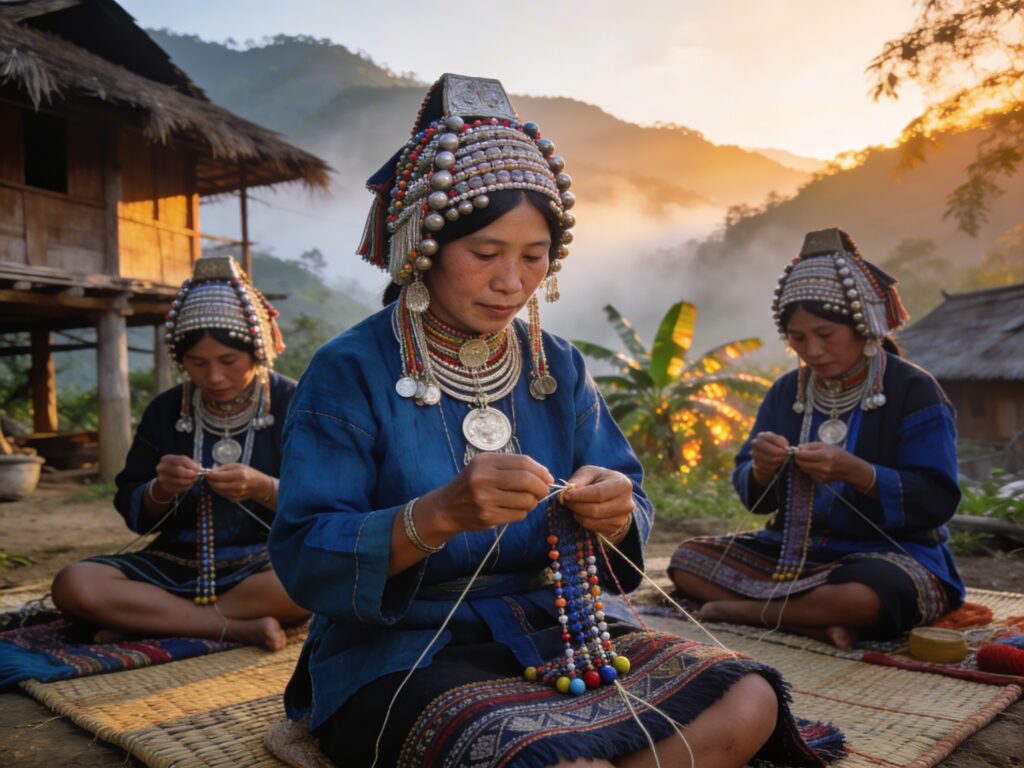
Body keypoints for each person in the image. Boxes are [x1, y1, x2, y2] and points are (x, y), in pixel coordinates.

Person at [269, 74, 838, 768]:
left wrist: (614, 511)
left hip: (566, 625)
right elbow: (303, 554)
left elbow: (631, 508)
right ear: (423, 248)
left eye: (534, 258)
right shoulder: (348, 369)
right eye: (486, 255)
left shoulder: (558, 365)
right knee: (550, 761)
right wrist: (436, 515)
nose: (512, 281)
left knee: (750, 698)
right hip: (404, 648)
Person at [669, 227, 965, 650]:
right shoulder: (786, 392)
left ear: (864, 326)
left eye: (825, 335)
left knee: (866, 597)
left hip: (886, 557)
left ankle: (748, 611)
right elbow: (755, 498)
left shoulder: (913, 391)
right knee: (687, 561)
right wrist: (762, 469)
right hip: (791, 553)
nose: (813, 350)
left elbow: (938, 498)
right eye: (798, 338)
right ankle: (810, 621)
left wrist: (858, 473)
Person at [51, 256, 309, 651]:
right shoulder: (166, 410)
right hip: (173, 563)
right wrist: (161, 488)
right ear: (180, 359)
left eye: (228, 360)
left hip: (265, 565)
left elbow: (324, 502)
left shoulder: (294, 402)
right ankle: (233, 627)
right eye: (197, 363)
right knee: (73, 584)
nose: (214, 376)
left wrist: (262, 487)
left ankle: (152, 621)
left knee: (309, 581)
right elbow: (132, 506)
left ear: (257, 351)